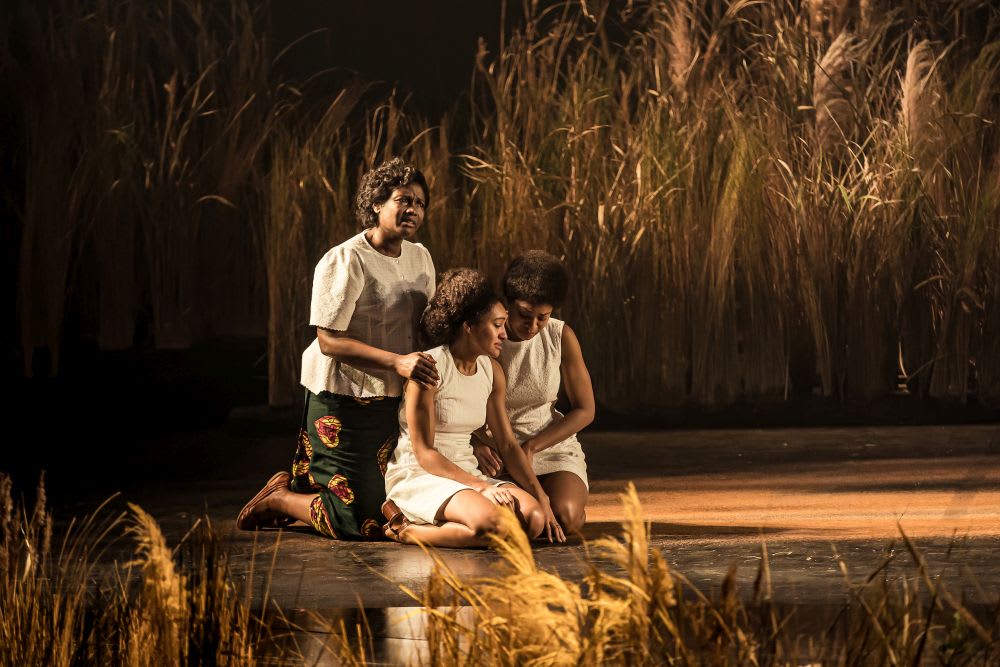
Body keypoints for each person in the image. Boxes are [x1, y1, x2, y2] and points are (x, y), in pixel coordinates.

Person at [237, 157, 439, 539]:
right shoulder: (346, 258)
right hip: (346, 394)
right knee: (358, 521)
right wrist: (397, 361)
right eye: (402, 200)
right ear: (377, 204)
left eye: (420, 203)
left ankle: (298, 494)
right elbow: (329, 340)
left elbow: (424, 326)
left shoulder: (420, 257)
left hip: (394, 393)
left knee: (387, 509)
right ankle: (278, 498)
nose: (412, 209)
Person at [382, 268, 566, 547]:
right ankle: (407, 530)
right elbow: (425, 453)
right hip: (423, 474)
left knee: (534, 520)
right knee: (495, 527)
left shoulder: (491, 371)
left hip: (466, 469)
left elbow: (507, 444)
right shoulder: (429, 368)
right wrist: (480, 487)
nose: (505, 334)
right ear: (469, 325)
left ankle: (463, 518)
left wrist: (542, 497)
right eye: (497, 324)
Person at [472, 251, 594, 534]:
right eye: (524, 315)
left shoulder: (560, 336)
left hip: (546, 445)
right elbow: (451, 399)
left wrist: (532, 447)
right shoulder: (485, 335)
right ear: (508, 302)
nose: (533, 326)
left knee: (568, 518)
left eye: (543, 317)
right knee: (518, 523)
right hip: (492, 452)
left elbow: (585, 410)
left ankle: (547, 500)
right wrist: (473, 444)